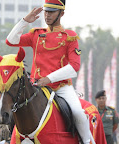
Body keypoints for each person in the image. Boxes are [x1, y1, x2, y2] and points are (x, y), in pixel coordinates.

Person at [5, 0, 91, 143]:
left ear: (61, 13)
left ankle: (88, 141)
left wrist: (49, 79)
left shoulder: (69, 37)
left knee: (78, 113)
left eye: (51, 12)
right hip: (36, 86)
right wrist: (25, 21)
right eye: (46, 11)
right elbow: (10, 41)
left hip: (61, 87)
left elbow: (74, 66)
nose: (47, 15)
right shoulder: (36, 35)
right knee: (13, 109)